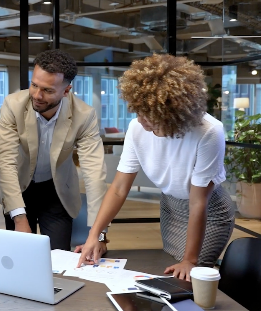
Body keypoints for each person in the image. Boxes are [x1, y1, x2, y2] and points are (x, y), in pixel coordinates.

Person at [78, 54, 235, 281]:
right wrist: (96, 235)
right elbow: (119, 188)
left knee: (190, 276)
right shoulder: (137, 128)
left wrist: (190, 260)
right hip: (171, 208)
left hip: (208, 212)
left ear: (174, 116)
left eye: (151, 117)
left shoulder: (209, 132)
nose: (142, 122)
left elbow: (198, 201)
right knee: (167, 269)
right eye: (139, 113)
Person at [0, 49, 108, 252]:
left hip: (57, 191)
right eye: (34, 85)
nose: (37, 95)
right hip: (18, 187)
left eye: (47, 90)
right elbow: (5, 162)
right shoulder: (13, 105)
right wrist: (20, 220)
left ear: (66, 91)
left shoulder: (84, 115)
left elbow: (94, 174)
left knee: (59, 258)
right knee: (19, 256)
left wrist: (98, 234)